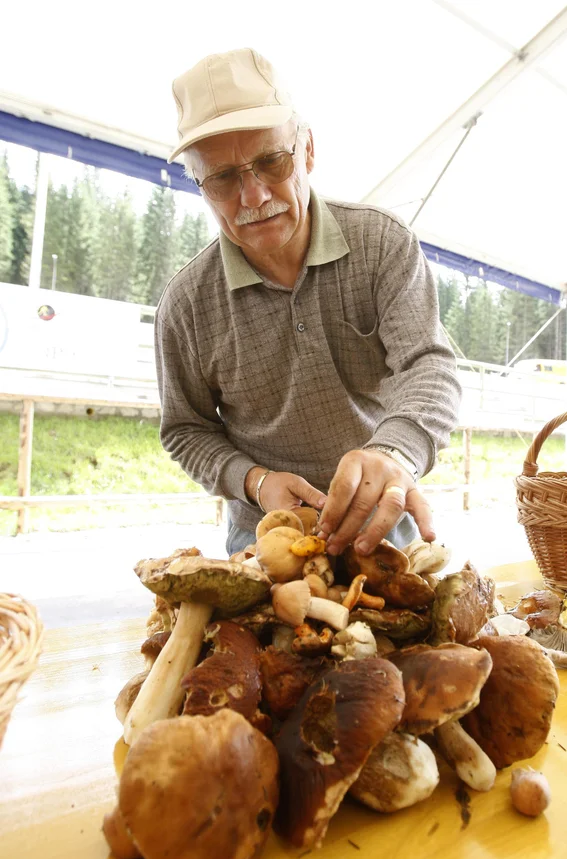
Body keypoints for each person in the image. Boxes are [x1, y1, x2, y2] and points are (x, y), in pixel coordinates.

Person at [156, 48, 461, 559]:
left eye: (271, 162)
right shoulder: (186, 304)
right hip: (264, 534)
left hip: (381, 515)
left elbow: (428, 365)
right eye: (223, 177)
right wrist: (255, 482)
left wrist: (393, 452)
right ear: (200, 185)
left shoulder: (382, 244)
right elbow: (186, 429)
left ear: (308, 150)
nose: (252, 197)